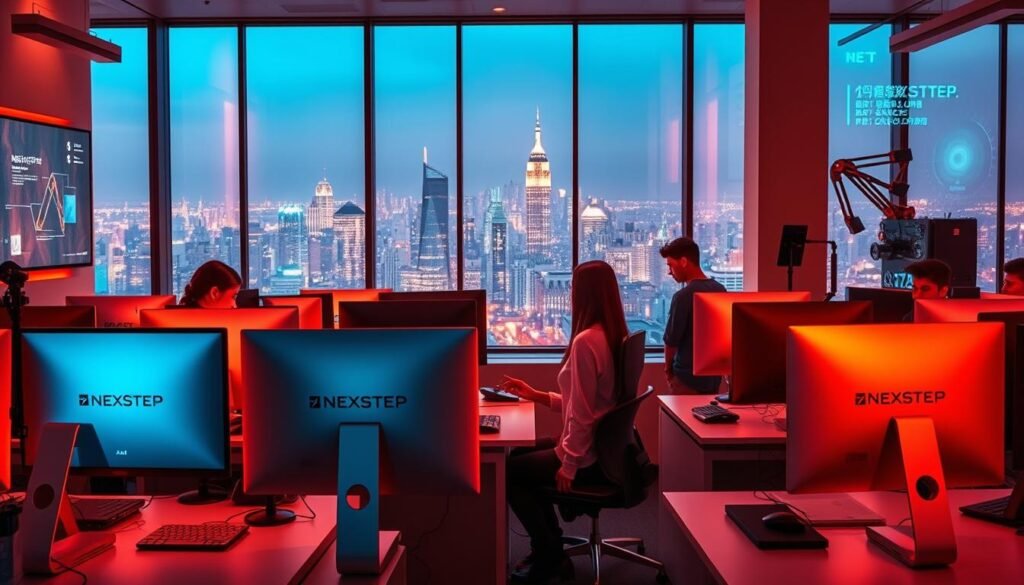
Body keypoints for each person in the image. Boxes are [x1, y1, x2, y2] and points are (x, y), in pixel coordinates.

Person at [497, 260, 629, 584]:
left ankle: (549, 552)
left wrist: (569, 464)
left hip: (588, 456)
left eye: (573, 288)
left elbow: (583, 415)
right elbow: (588, 405)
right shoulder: (612, 335)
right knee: (519, 454)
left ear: (583, 294)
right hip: (601, 449)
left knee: (509, 474)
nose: (569, 293)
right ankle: (549, 544)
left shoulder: (586, 342)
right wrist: (537, 395)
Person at [659, 237, 726, 394]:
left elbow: (671, 341)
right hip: (713, 378)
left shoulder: (683, 296)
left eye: (671, 265)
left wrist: (668, 372)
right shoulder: (720, 290)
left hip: (686, 379)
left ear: (683, 261)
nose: (670, 272)